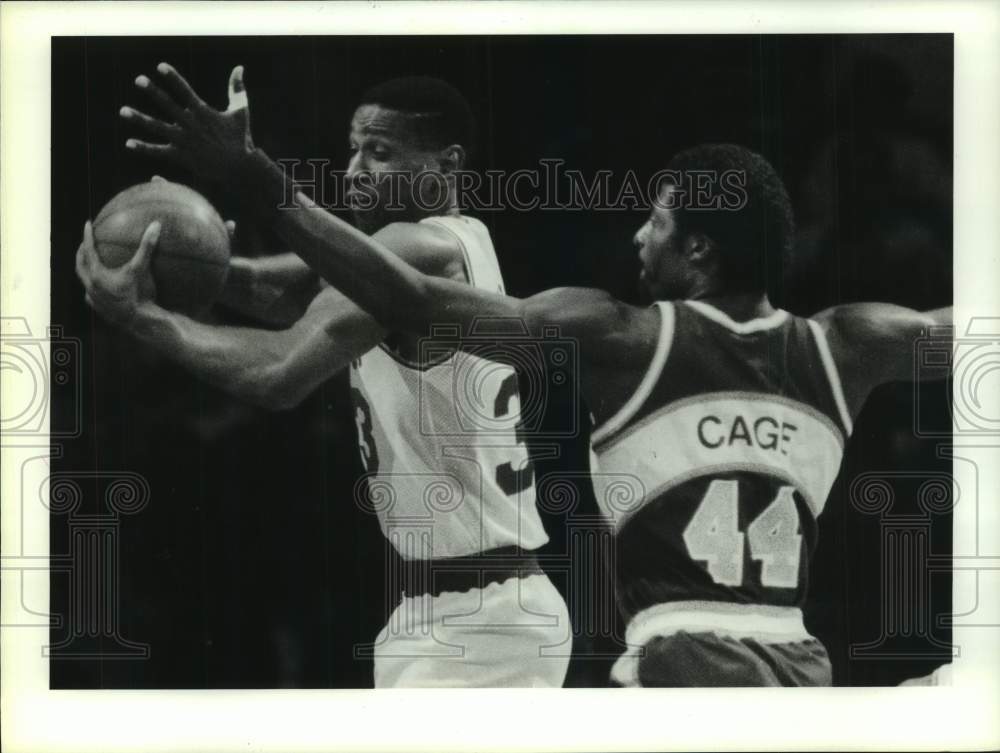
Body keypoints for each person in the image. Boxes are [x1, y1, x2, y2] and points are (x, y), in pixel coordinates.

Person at [110, 64, 952, 686]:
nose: (634, 241)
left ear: (697, 248)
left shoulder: (612, 331)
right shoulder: (847, 340)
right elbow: (304, 288)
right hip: (791, 659)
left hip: (607, 641)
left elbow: (305, 354)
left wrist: (177, 278)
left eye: (654, 223)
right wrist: (183, 263)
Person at [76, 72, 571, 688]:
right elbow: (281, 289)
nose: (357, 168)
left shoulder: (423, 248)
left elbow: (279, 372)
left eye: (381, 152)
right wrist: (183, 258)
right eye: (354, 148)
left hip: (483, 616)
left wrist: (144, 317)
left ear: (447, 164)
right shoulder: (431, 249)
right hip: (450, 608)